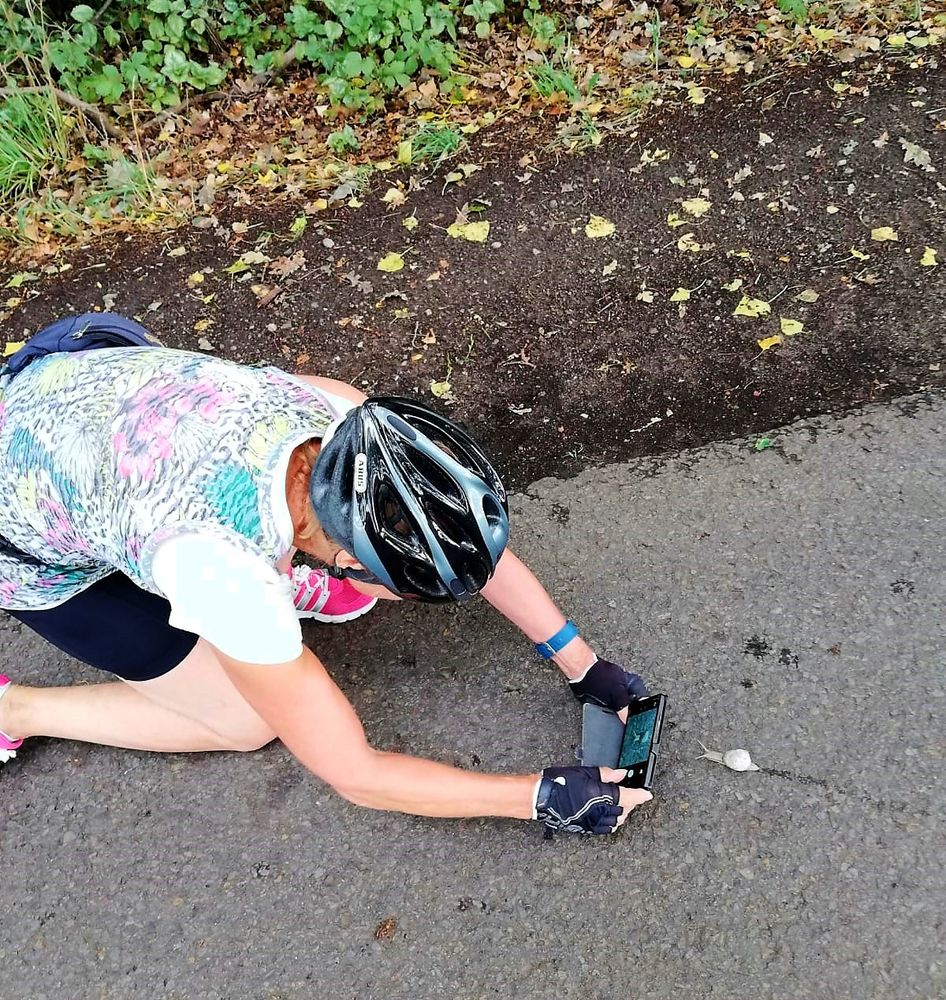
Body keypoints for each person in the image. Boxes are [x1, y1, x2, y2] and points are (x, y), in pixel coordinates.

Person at [0, 316, 653, 834]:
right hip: (27, 535)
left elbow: (456, 539)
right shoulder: (222, 575)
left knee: (236, 601)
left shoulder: (343, 418)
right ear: (348, 561)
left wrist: (582, 663)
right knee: (245, 721)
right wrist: (538, 797)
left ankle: (277, 570)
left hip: (71, 405)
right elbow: (355, 773)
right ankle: (17, 708)